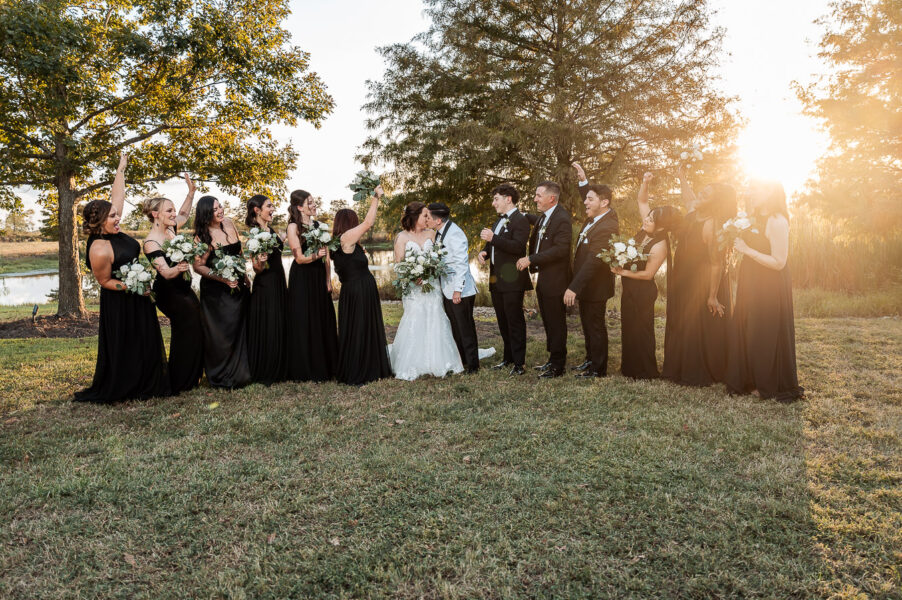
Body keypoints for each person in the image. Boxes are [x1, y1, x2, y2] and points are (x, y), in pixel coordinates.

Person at [75, 152, 170, 403]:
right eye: (113, 217)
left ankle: (150, 382)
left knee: (145, 339)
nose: (118, 218)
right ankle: (128, 385)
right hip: (120, 301)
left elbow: (118, 196)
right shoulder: (99, 248)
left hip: (140, 295)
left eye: (117, 215)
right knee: (127, 342)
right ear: (99, 221)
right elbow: (104, 281)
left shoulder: (115, 231)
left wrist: (121, 169)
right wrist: (132, 286)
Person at [726, 181, 804, 401]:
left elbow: (779, 262)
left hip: (769, 283)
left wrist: (747, 250)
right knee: (749, 327)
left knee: (765, 331)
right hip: (750, 280)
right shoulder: (752, 218)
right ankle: (749, 379)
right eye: (751, 188)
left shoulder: (777, 221)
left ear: (770, 193)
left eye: (756, 189)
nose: (750, 192)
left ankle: (767, 384)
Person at [662, 166, 736, 386]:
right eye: (702, 191)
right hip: (684, 276)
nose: (700, 195)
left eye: (706, 195)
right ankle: (679, 367)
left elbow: (716, 263)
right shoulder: (695, 212)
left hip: (701, 281)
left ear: (714, 202)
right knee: (683, 319)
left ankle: (700, 370)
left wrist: (712, 296)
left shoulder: (711, 225)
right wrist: (682, 177)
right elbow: (689, 198)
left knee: (696, 322)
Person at [612, 172, 682, 379]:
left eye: (651, 219)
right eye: (648, 216)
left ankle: (644, 370)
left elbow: (648, 274)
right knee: (628, 327)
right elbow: (642, 201)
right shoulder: (646, 229)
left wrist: (622, 272)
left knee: (641, 330)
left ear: (662, 225)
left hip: (643, 291)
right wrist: (645, 182)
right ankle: (629, 368)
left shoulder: (660, 244)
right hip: (630, 288)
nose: (646, 219)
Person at [141, 174, 205, 394]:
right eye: (169, 210)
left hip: (183, 287)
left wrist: (191, 192)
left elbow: (185, 213)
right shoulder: (151, 242)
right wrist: (179, 267)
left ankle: (193, 376)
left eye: (173, 210)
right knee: (187, 329)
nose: (173, 213)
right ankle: (180, 380)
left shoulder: (171, 229)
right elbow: (165, 272)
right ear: (155, 214)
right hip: (168, 292)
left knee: (195, 326)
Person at [389, 201, 464, 380]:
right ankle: (413, 362)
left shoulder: (432, 233)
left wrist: (433, 270)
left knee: (436, 317)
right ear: (415, 217)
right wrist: (412, 277)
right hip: (414, 290)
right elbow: (399, 266)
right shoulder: (402, 237)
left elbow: (442, 256)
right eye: (425, 215)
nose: (428, 218)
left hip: (432, 285)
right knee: (416, 319)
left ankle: (439, 361)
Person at [332, 186, 393, 385]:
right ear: (349, 223)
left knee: (363, 327)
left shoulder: (347, 242)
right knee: (359, 328)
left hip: (358, 289)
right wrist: (375, 197)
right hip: (358, 290)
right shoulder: (346, 238)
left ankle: (369, 364)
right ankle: (359, 369)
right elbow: (369, 223)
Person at [565, 163, 619, 378]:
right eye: (585, 198)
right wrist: (583, 181)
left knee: (595, 326)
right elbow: (590, 199)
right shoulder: (597, 215)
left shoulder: (607, 226)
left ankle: (598, 369)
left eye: (590, 199)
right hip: (587, 285)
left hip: (596, 286)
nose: (585, 202)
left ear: (604, 203)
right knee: (587, 325)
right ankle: (590, 359)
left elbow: (593, 262)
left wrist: (574, 287)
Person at [193, 195, 251, 389]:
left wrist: (245, 275)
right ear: (205, 214)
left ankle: (244, 370)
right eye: (214, 210)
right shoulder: (202, 237)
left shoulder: (229, 223)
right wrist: (223, 278)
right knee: (224, 331)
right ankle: (223, 373)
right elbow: (198, 267)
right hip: (217, 292)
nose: (220, 211)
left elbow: (239, 253)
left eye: (220, 206)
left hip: (238, 285)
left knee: (241, 326)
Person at [517, 181, 572, 378]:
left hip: (556, 280)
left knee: (556, 323)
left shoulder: (562, 219)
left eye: (539, 195)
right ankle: (552, 359)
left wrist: (531, 259)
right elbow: (536, 222)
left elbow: (561, 249)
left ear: (552, 198)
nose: (535, 199)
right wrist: (519, 214)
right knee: (548, 320)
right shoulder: (546, 216)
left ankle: (558, 366)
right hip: (545, 278)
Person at [284, 190, 339, 382]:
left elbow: (327, 257)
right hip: (302, 276)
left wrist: (328, 280)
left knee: (322, 316)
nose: (314, 205)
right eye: (310, 202)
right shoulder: (293, 227)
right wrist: (316, 256)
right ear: (299, 207)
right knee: (304, 318)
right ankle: (306, 368)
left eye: (314, 201)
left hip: (318, 275)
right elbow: (299, 258)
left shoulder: (319, 226)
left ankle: (327, 365)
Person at [478, 183, 532, 376]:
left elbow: (518, 247)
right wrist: (484, 252)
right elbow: (492, 245)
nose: (493, 203)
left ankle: (519, 363)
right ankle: (508, 358)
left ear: (508, 199)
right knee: (502, 320)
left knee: (514, 320)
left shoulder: (520, 220)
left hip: (512, 278)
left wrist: (493, 239)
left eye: (496, 199)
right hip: (496, 279)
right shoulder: (498, 221)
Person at [427, 202, 480, 373]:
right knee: (456, 328)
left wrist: (458, 290)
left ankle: (473, 365)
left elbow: (461, 263)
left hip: (461, 291)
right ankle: (463, 361)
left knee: (465, 328)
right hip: (447, 289)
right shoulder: (440, 232)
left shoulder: (455, 233)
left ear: (438, 220)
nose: (426, 220)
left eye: (428, 217)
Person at [245, 194, 288, 385]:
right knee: (269, 324)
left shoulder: (268, 229)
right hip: (266, 284)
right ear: (257, 210)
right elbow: (257, 268)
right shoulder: (254, 234)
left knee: (278, 321)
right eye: (269, 206)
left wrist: (282, 239)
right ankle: (267, 369)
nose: (272, 209)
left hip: (278, 279)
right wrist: (260, 262)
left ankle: (280, 366)